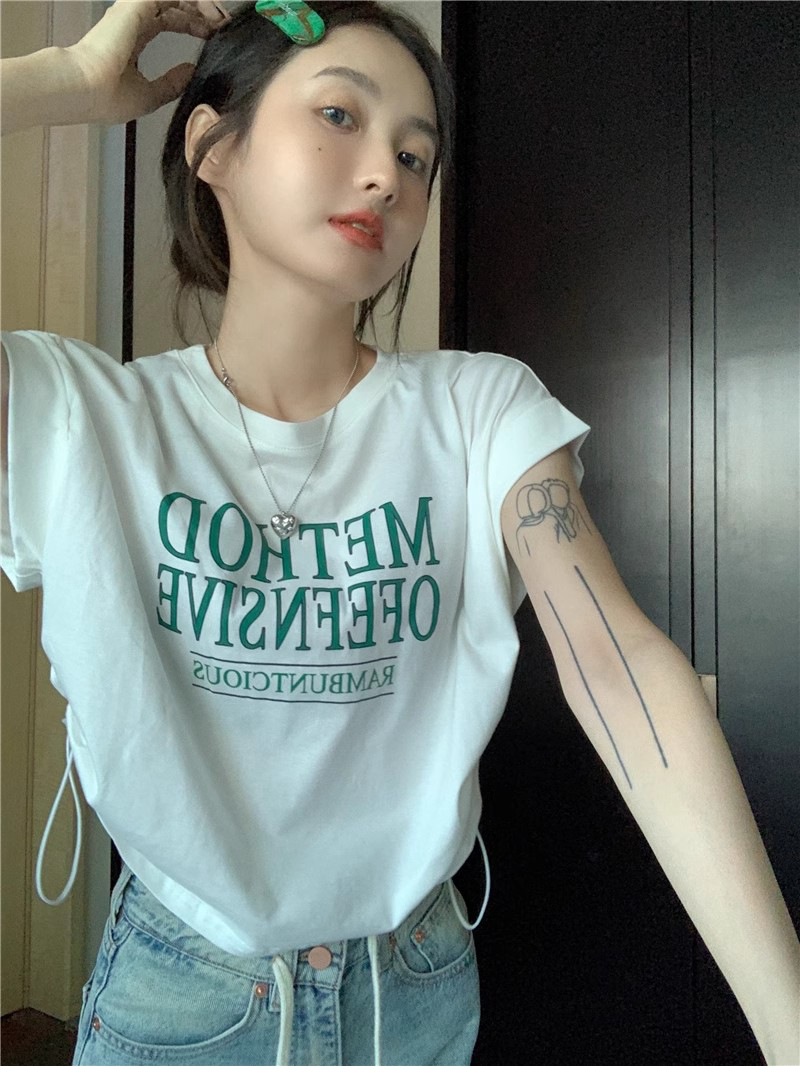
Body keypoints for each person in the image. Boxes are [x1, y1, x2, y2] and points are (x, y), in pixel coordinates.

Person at [1, 0, 798, 1068]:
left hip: (413, 993)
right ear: (213, 147)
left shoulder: (481, 411)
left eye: (415, 156)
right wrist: (64, 79)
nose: (385, 174)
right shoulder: (71, 416)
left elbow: (617, 668)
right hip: (179, 994)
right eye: (339, 115)